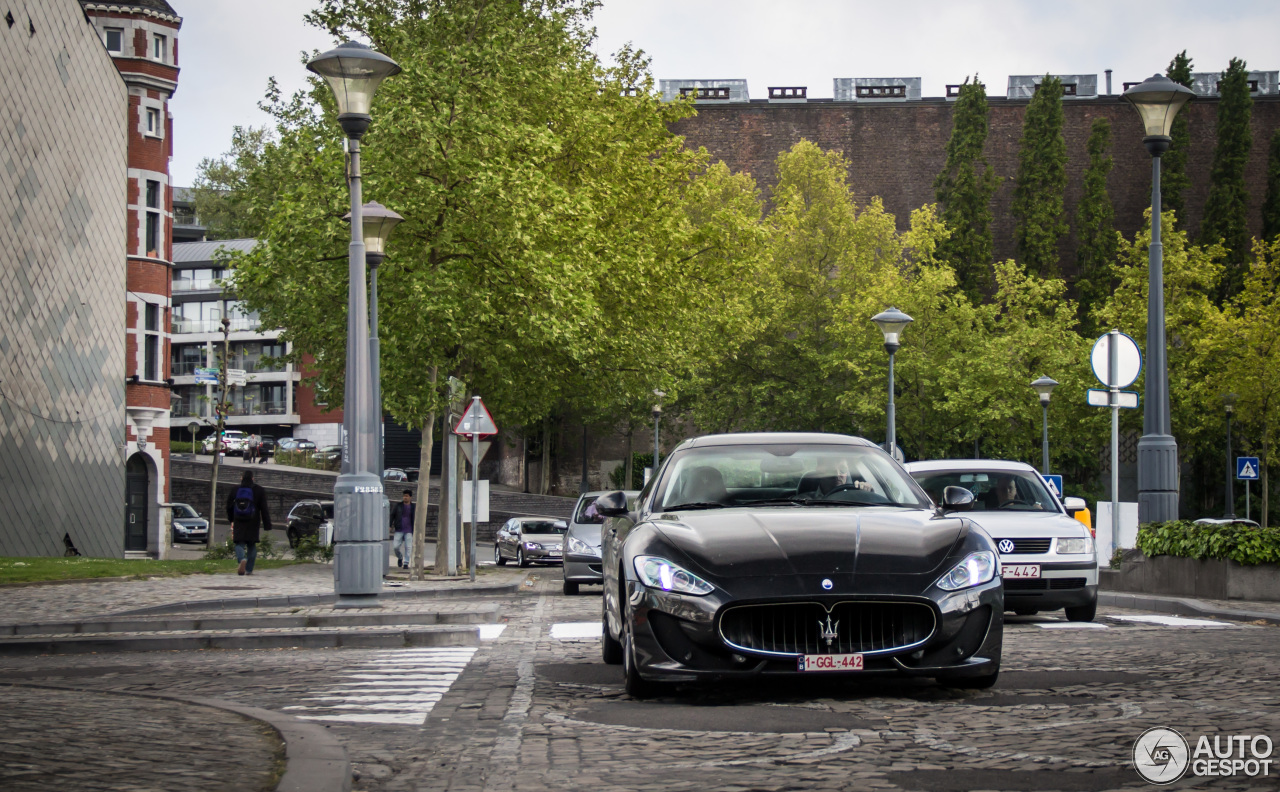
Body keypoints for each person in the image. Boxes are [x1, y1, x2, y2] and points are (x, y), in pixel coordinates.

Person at [225, 470, 272, 575]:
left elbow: (229, 506)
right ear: (252, 478)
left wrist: (231, 519)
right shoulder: (259, 490)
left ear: (241, 478)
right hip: (253, 521)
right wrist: (267, 524)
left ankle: (242, 559)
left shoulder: (235, 490)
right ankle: (249, 570)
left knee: (239, 543)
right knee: (251, 545)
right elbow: (264, 508)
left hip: (239, 520)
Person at [389, 489, 415, 569]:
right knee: (395, 547)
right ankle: (400, 557)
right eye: (404, 496)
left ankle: (406, 563)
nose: (405, 497)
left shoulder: (413, 507)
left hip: (409, 530)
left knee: (408, 547)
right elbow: (392, 515)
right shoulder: (398, 506)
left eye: (407, 496)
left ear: (410, 497)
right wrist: (390, 525)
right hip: (399, 529)